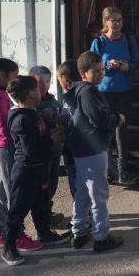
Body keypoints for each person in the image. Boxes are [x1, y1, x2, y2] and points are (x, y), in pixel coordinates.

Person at [0, 55, 44, 253]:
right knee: (13, 193)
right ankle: (17, 236)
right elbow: (7, 127)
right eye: (13, 76)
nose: (15, 79)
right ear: (1, 75)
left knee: (2, 192)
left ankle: (1, 233)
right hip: (5, 147)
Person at [1, 75, 71, 266]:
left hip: (39, 167)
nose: (41, 91)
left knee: (41, 202)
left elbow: (40, 132)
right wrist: (52, 139)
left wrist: (52, 127)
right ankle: (9, 246)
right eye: (37, 88)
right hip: (25, 171)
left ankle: (45, 233)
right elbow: (31, 149)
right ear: (31, 94)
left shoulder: (32, 112)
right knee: (18, 209)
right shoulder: (21, 119)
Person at [64, 50, 125, 252]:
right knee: (98, 195)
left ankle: (79, 232)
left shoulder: (78, 90)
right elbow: (99, 118)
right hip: (93, 149)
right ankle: (102, 237)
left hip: (81, 150)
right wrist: (117, 119)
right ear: (83, 73)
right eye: (95, 71)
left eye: (102, 70)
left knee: (82, 192)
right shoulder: (89, 92)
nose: (100, 74)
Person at [90, 6, 138, 185]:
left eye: (120, 20)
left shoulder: (128, 40)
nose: (117, 23)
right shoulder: (99, 42)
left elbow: (135, 63)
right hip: (104, 92)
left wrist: (128, 67)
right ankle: (107, 171)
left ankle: (121, 171)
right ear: (105, 22)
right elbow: (91, 65)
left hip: (124, 90)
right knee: (107, 131)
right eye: (113, 20)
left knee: (121, 131)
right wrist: (106, 64)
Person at [29, 65, 65, 228]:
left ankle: (47, 212)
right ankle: (43, 218)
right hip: (44, 151)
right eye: (40, 81)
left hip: (55, 150)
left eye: (48, 81)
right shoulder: (32, 104)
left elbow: (60, 114)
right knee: (42, 186)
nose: (44, 85)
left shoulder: (52, 100)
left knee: (52, 184)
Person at [57, 60, 79, 198]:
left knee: (76, 179)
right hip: (80, 145)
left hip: (73, 144)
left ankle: (83, 215)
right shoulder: (83, 92)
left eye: (59, 78)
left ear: (65, 78)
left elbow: (68, 118)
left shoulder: (71, 96)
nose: (59, 82)